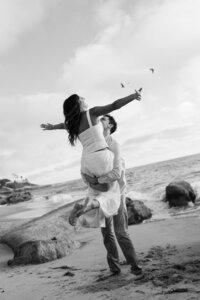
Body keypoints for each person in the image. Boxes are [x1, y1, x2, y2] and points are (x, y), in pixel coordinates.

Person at [41, 114, 143, 278]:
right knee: (106, 234)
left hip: (117, 194)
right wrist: (53, 127)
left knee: (120, 232)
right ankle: (114, 268)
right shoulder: (92, 145)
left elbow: (116, 173)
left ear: (109, 125)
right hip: (98, 192)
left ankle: (134, 266)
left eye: (103, 119)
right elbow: (75, 126)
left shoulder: (114, 145)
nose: (98, 121)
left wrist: (96, 180)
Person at [41, 92, 141, 227]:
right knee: (113, 191)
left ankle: (84, 205)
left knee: (100, 190)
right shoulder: (91, 113)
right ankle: (88, 207)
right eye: (82, 98)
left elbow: (63, 125)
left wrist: (52, 127)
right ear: (78, 104)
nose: (84, 98)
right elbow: (114, 105)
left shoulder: (73, 123)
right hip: (100, 156)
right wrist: (133, 97)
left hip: (86, 161)